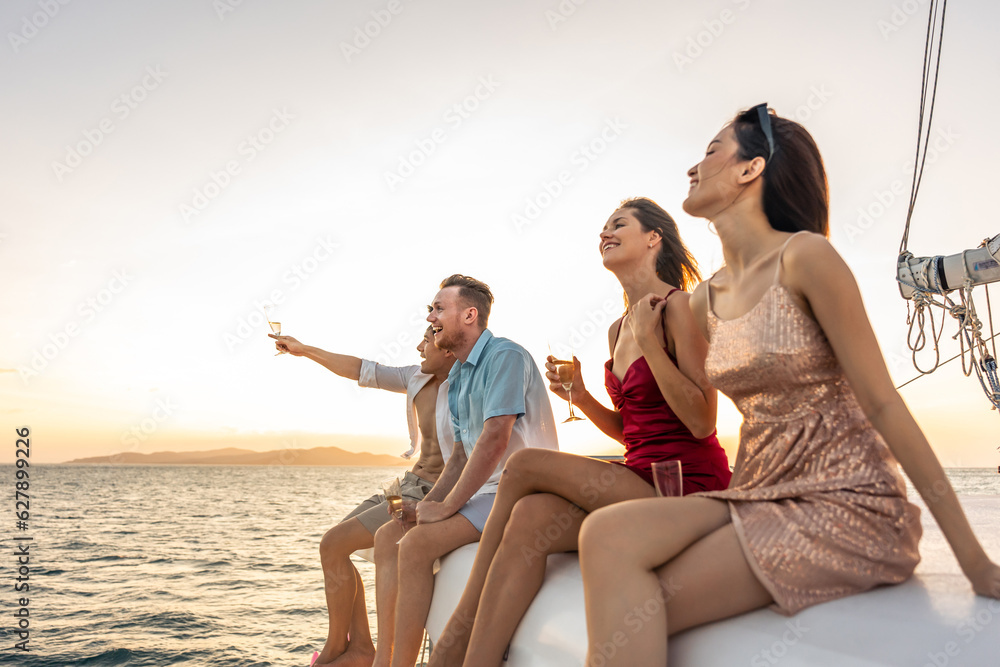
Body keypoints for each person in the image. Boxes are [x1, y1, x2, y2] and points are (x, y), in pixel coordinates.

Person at [577, 104, 1000, 666]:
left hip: (844, 500)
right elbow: (689, 404)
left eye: (710, 151)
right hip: (758, 490)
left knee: (637, 605)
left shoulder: (805, 258)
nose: (692, 167)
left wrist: (974, 561)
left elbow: (882, 402)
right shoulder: (706, 298)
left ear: (751, 169)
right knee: (604, 534)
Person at [428, 198, 732, 667]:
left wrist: (651, 343)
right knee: (530, 514)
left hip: (686, 485)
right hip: (638, 473)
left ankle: (460, 624)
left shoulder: (678, 308)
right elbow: (633, 432)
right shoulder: (617, 329)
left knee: (525, 463)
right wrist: (583, 395)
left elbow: (702, 421)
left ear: (655, 238)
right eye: (603, 227)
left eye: (619, 225)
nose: (605, 233)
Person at [372, 274, 559, 667]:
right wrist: (428, 504)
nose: (431, 317)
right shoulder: (457, 374)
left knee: (417, 545)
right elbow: (460, 453)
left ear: (470, 315)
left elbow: (495, 438)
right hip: (484, 493)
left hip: (520, 492)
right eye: (431, 310)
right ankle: (383, 658)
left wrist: (445, 507)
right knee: (391, 534)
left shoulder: (505, 357)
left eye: (439, 308)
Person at [270, 326, 455, 667]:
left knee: (335, 543)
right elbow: (360, 369)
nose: (418, 346)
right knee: (332, 547)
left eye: (427, 340)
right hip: (409, 482)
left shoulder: (466, 387)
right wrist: (303, 349)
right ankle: (354, 646)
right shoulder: (416, 376)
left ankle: (351, 650)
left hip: (433, 491)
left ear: (448, 349)